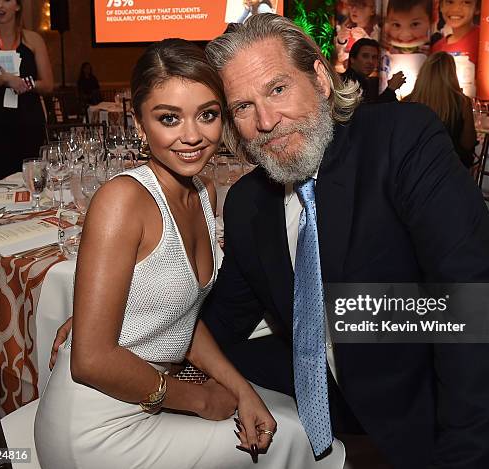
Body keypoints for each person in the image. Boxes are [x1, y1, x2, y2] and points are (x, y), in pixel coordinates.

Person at [52, 14, 489, 468]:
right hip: (337, 395)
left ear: (321, 81)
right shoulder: (247, 203)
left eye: (278, 89)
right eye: (243, 107)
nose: (266, 121)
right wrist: (125, 312)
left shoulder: (399, 142)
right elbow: (220, 317)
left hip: (437, 414)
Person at [35, 38, 344, 469]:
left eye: (208, 115)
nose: (193, 136)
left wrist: (241, 392)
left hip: (152, 397)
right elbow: (90, 361)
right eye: (169, 118)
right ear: (140, 125)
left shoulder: (204, 193)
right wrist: (199, 399)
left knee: (287, 424)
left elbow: (182, 318)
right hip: (98, 424)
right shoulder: (122, 199)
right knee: (300, 440)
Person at [0, 0, 53, 183]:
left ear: (18, 6)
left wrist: (24, 84)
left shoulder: (33, 40)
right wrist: (3, 79)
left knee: (32, 181)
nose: (0, 5)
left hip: (29, 122)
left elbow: (48, 84)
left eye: (6, 0)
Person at [403, 51, 476, 167]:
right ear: (451, 74)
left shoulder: (407, 102)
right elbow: (468, 143)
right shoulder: (462, 102)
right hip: (450, 169)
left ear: (424, 73)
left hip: (416, 168)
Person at [340, 38, 406, 103]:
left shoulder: (372, 83)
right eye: (365, 56)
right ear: (352, 59)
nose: (370, 61)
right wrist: (390, 90)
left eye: (374, 57)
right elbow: (367, 112)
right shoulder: (342, 83)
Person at [334, 0, 381, 72]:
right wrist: (341, 41)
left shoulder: (378, 32)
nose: (354, 9)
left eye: (361, 6)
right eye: (352, 5)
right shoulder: (343, 28)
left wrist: (366, 38)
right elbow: (338, 57)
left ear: (372, 10)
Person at [431, 0, 480, 66]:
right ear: (441, 6)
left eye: (466, 2)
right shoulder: (437, 48)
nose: (455, 9)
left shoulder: (484, 40)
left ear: (477, 8)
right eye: (450, 2)